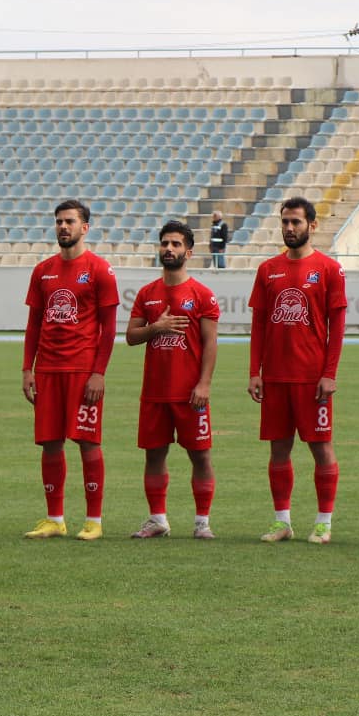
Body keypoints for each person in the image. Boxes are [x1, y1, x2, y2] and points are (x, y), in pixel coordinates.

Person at [249, 196, 347, 544]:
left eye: (296, 222)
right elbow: (259, 324)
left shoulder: (329, 270)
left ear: (312, 226)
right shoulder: (267, 269)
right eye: (286, 222)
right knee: (278, 450)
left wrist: (329, 373)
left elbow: (338, 326)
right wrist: (254, 371)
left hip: (311, 379)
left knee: (321, 448)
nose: (290, 228)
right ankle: (282, 522)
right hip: (275, 377)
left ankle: (324, 522)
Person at [20, 199, 119, 540]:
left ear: (85, 227)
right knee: (50, 443)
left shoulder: (99, 269)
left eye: (70, 222)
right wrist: (27, 369)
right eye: (59, 221)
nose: (63, 227)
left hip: (81, 371)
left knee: (88, 442)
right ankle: (55, 518)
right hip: (47, 370)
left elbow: (109, 328)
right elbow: (34, 324)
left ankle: (94, 520)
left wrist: (99, 372)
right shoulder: (42, 270)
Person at [126, 221, 221, 539]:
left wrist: (204, 383)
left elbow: (210, 343)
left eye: (176, 244)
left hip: (189, 393)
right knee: (154, 454)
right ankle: (157, 519)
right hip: (154, 392)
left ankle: (202, 522)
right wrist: (156, 327)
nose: (169, 248)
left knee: (200, 455)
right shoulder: (147, 294)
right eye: (165, 243)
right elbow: (131, 337)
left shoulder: (202, 295)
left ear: (188, 252)